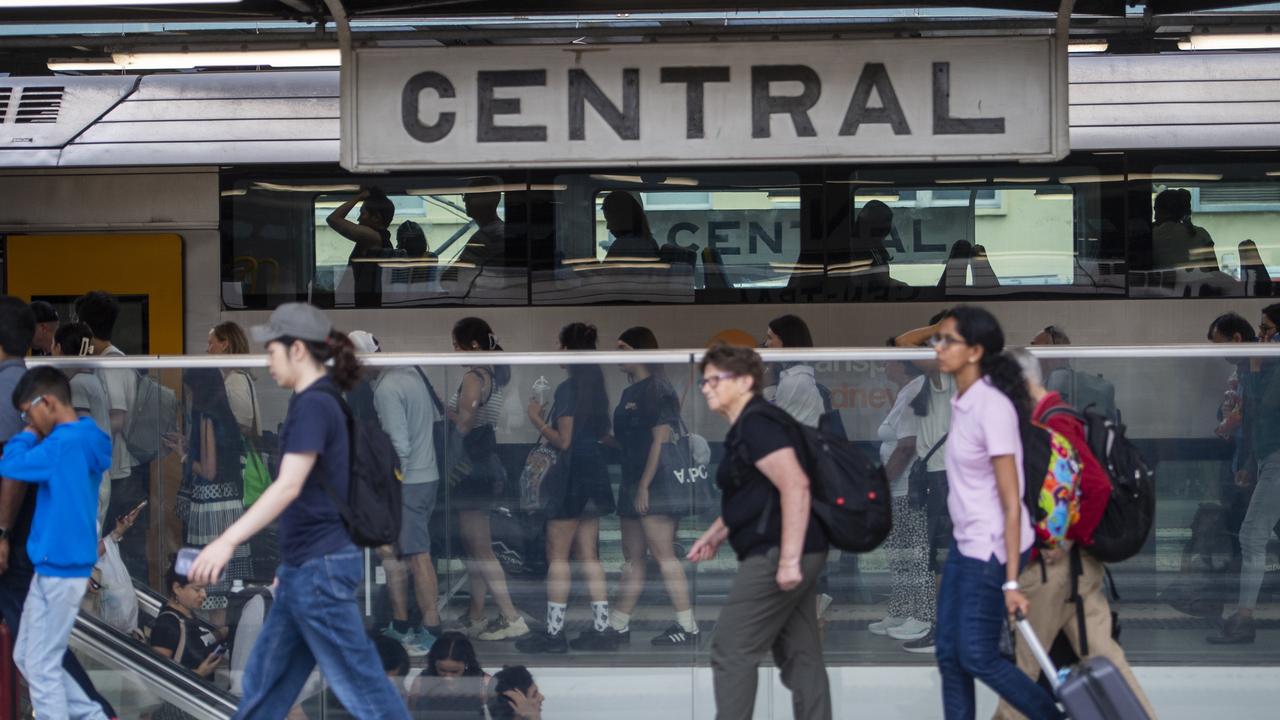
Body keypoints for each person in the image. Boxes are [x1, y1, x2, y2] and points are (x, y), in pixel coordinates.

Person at [188, 302, 411, 720]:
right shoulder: (322, 401)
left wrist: (226, 540)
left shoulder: (313, 404)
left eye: (272, 351)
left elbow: (289, 485)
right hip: (304, 569)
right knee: (263, 688)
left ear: (297, 351)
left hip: (318, 570)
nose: (266, 362)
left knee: (361, 688)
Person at [993, 349, 1156, 720]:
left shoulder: (1053, 423)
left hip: (1056, 572)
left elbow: (1095, 486)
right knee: (1108, 663)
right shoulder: (1052, 417)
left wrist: (1065, 538)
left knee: (1019, 678)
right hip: (1077, 574)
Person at [928, 306, 1061, 720]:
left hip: (993, 548)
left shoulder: (992, 407)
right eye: (939, 338)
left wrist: (1009, 582)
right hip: (967, 545)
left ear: (975, 351)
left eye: (948, 340)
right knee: (949, 654)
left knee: (977, 655)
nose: (939, 347)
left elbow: (1011, 499)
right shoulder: (963, 400)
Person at [687, 343, 831, 720]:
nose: (707, 387)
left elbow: (795, 485)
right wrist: (717, 531)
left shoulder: (757, 423)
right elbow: (758, 492)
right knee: (802, 657)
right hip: (800, 546)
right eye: (705, 380)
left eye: (716, 379)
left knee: (731, 647)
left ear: (747, 381)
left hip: (778, 549)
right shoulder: (755, 422)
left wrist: (787, 561)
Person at [0, 300, 114, 720]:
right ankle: (90, 714)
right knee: (28, 655)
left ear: (47, 404)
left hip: (57, 569)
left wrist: (28, 432)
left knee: (42, 665)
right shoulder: (89, 438)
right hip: (60, 567)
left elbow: (9, 465)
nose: (28, 421)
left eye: (29, 413)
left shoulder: (57, 446)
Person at [516, 322, 616, 654]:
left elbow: (565, 441)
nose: (557, 351)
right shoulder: (597, 386)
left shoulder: (568, 389)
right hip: (596, 473)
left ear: (569, 350)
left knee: (557, 556)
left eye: (560, 345)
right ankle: (602, 630)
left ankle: (555, 634)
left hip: (571, 476)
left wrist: (536, 418)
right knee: (590, 556)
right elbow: (599, 434)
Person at [349, 330, 444, 655]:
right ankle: (402, 623)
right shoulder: (412, 372)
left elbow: (397, 446)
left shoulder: (386, 389)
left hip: (408, 483)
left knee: (417, 557)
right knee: (393, 553)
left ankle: (431, 629)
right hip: (426, 475)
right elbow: (433, 418)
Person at [606, 326, 699, 647]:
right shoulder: (630, 391)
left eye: (622, 348)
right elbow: (628, 440)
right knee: (633, 557)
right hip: (632, 478)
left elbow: (660, 441)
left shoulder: (658, 388)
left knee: (662, 554)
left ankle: (688, 627)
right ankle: (618, 624)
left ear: (640, 350)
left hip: (654, 482)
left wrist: (644, 485)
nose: (617, 355)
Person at [446, 318, 529, 642]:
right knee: (473, 547)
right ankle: (477, 614)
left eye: (457, 344)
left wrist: (443, 410)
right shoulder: (492, 375)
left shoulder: (473, 376)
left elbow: (465, 422)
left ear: (474, 345)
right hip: (486, 466)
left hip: (471, 470)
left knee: (480, 548)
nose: (453, 351)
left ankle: (511, 616)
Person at [1209, 303, 1280, 644]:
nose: (1262, 336)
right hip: (1268, 458)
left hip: (1277, 459)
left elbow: (1264, 406)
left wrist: (1252, 364)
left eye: (1267, 330)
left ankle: (1244, 618)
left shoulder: (1270, 364)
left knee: (1252, 536)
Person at [891, 311, 956, 652]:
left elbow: (903, 342)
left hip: (943, 475)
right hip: (946, 473)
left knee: (940, 556)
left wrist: (937, 327)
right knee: (942, 554)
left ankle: (942, 630)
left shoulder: (946, 369)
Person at [77, 290, 148, 579]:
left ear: (86, 328)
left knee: (120, 549)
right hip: (116, 470)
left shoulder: (110, 364)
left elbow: (117, 418)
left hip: (120, 472)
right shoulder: (108, 361)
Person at [175, 368, 251, 625]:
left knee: (210, 590)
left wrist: (183, 456)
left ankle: (214, 642)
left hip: (211, 511)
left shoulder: (206, 417)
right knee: (223, 589)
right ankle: (223, 643)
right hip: (229, 507)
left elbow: (208, 470)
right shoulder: (226, 417)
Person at [872, 346, 933, 653]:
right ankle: (901, 610)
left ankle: (921, 615)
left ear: (904, 363)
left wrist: (882, 484)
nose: (885, 364)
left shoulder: (913, 392)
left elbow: (906, 446)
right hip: (899, 489)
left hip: (905, 488)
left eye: (889, 359)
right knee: (899, 553)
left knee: (912, 553)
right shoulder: (905, 392)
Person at [150, 560, 227, 680]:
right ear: (177, 588)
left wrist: (224, 632)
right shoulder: (167, 625)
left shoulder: (189, 615)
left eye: (204, 589)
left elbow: (201, 639)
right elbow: (158, 675)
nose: (204, 595)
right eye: (197, 589)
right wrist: (199, 673)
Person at [1030, 325, 1117, 421]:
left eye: (1036, 349)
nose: (1033, 357)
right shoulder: (1100, 387)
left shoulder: (1047, 385)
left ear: (1055, 352)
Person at [327, 188, 395, 308]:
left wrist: (359, 197)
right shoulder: (378, 238)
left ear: (376, 218)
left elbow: (333, 219)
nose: (358, 219)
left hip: (367, 303)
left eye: (362, 213)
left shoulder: (373, 237)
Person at [762, 314, 823, 429]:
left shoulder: (795, 380)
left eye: (770, 338)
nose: (766, 344)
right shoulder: (791, 377)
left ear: (785, 340)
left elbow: (775, 425)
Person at [413, 631, 489, 717]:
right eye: (442, 670)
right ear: (434, 664)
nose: (448, 677)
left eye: (455, 672)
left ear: (466, 664)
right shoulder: (421, 682)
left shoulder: (483, 684)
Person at [207, 321, 261, 437]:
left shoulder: (235, 380)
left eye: (211, 343)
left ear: (224, 345)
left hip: (235, 454)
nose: (208, 350)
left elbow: (243, 426)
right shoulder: (235, 377)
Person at [1151, 188, 1217, 273]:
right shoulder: (1201, 234)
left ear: (1160, 211)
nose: (1155, 217)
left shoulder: (1151, 235)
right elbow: (1215, 273)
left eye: (1155, 210)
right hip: (1199, 285)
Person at [601, 191, 659, 261]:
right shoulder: (650, 241)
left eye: (610, 221)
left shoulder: (622, 246)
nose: (608, 227)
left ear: (622, 219)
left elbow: (605, 271)